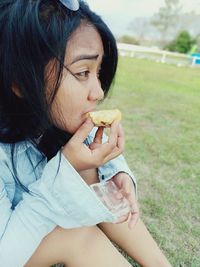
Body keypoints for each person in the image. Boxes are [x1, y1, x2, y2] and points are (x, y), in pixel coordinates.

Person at [0, 0, 172, 266]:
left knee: (98, 183)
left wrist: (116, 171)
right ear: (20, 81)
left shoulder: (55, 123)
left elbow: (94, 162)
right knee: (77, 236)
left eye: (98, 72)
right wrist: (63, 173)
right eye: (82, 72)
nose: (99, 93)